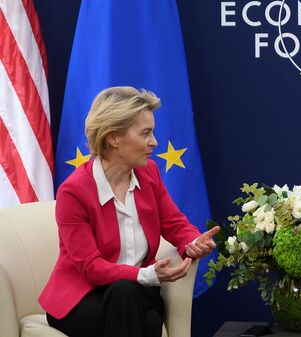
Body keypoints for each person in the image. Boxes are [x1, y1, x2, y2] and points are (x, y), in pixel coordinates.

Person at [39, 86, 219, 337]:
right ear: (113, 138)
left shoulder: (150, 174)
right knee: (145, 320)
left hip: (136, 291)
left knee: (126, 295)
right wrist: (147, 274)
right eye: (146, 133)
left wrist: (192, 242)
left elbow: (175, 223)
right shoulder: (73, 192)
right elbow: (91, 267)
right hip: (83, 297)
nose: (154, 142)